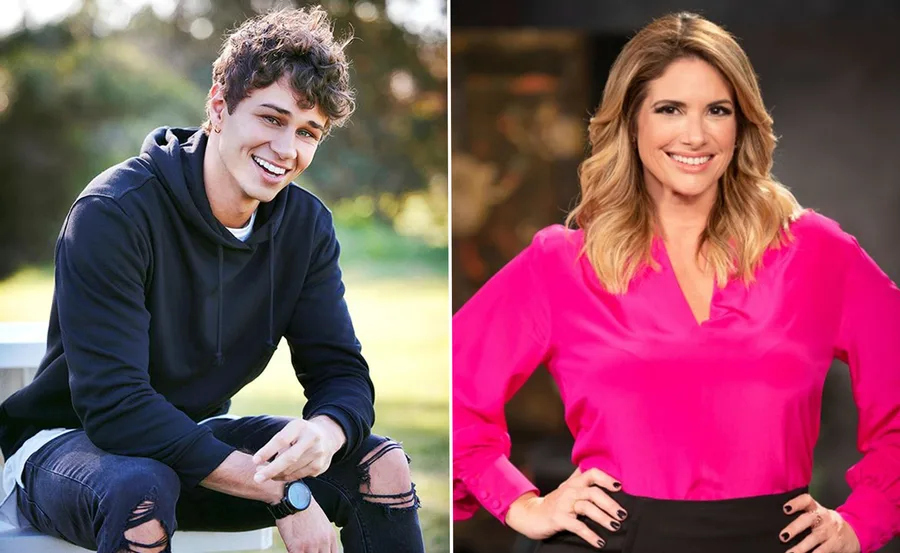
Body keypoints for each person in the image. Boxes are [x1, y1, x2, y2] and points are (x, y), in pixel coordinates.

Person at [453, 12, 899, 553]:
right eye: (669, 109)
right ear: (632, 122)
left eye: (717, 110)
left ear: (742, 125)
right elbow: (452, 385)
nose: (695, 134)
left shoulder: (817, 253)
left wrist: (865, 519)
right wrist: (522, 502)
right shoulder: (563, 261)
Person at [0, 6, 426, 553]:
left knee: (381, 465)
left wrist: (326, 432)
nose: (287, 150)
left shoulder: (305, 227)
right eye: (271, 119)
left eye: (308, 132)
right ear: (219, 108)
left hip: (192, 443)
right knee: (139, 493)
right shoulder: (114, 211)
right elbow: (115, 407)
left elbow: (341, 372)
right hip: (68, 449)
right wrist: (281, 490)